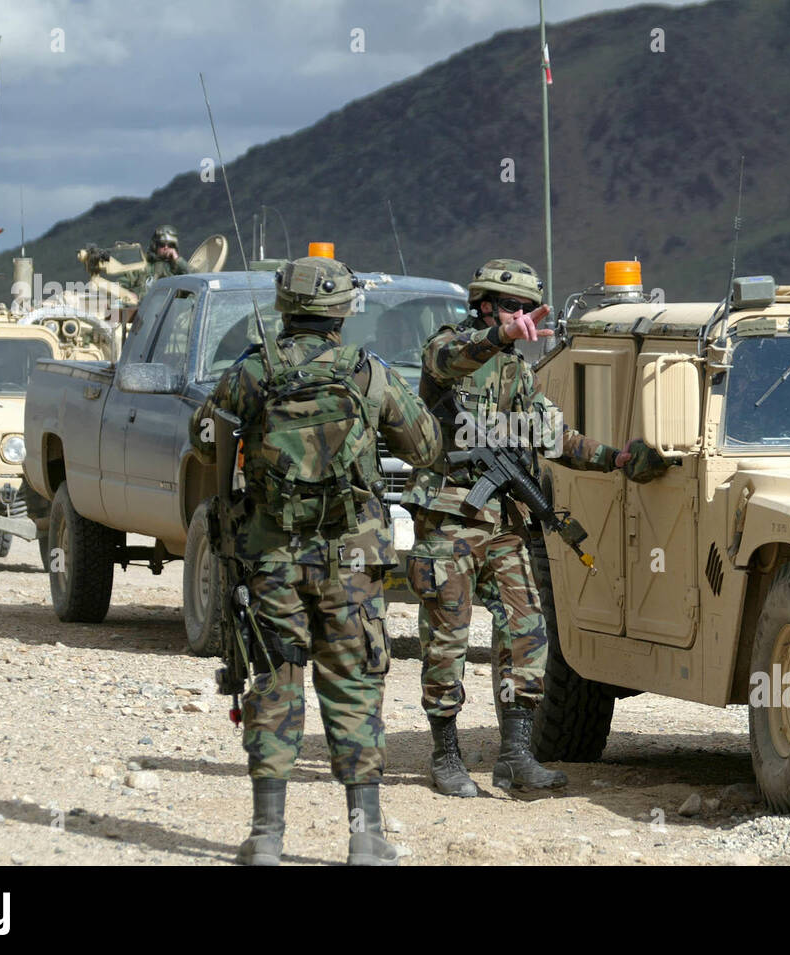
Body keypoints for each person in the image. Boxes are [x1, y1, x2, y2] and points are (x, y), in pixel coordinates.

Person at [189, 255, 439, 866]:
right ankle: (365, 836)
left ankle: (266, 837)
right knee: (353, 682)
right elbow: (426, 446)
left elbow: (202, 441)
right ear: (343, 312)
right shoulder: (368, 373)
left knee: (273, 682)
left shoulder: (251, 372)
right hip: (353, 557)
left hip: (270, 557)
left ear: (284, 306)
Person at [402, 258, 667, 798]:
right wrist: (499, 336)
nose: (519, 317)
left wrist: (616, 460)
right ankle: (446, 754)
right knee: (447, 639)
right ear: (482, 305)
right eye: (508, 307)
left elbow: (557, 437)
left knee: (527, 632)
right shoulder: (447, 350)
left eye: (525, 309)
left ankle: (516, 755)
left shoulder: (517, 374)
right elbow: (448, 362)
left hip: (502, 520)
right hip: (450, 516)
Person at [118, 225, 194, 296]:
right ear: (155, 246)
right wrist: (128, 296)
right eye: (162, 244)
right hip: (143, 308)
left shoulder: (178, 268)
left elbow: (194, 282)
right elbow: (118, 287)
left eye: (171, 245)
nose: (166, 248)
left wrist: (177, 260)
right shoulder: (141, 266)